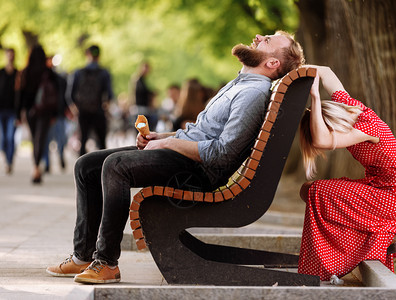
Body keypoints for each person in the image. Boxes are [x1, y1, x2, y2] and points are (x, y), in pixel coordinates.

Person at [46, 31, 305, 284]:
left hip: (198, 171)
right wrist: (162, 137)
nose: (258, 37)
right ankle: (82, 256)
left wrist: (170, 143)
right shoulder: (241, 83)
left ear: (272, 63)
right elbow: (200, 132)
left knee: (116, 167)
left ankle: (106, 263)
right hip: (184, 156)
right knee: (86, 165)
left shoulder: (253, 93)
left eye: (267, 40)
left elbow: (222, 154)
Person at [297, 65, 396, 281]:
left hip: (393, 198)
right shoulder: (351, 107)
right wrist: (302, 72)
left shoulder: (366, 125)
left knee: (316, 191)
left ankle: (322, 267)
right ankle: (348, 244)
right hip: (379, 189)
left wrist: (314, 97)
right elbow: (327, 71)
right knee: (309, 190)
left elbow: (322, 140)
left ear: (330, 123)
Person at [17, 45, 61, 183]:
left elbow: (20, 95)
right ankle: (37, 167)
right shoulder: (48, 72)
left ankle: (35, 167)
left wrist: (19, 113)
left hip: (31, 112)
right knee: (40, 139)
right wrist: (55, 114)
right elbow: (56, 94)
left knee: (34, 139)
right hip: (46, 111)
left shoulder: (25, 72)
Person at [67, 45, 113, 156]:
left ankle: (80, 169)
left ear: (87, 54)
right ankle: (102, 168)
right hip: (99, 110)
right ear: (99, 55)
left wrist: (75, 108)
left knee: (83, 140)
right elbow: (109, 94)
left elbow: (69, 94)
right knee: (102, 143)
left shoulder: (78, 72)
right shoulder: (104, 73)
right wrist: (106, 107)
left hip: (83, 111)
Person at [0, 48, 18, 174]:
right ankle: (6, 156)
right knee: (2, 138)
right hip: (0, 110)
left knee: (10, 137)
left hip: (12, 111)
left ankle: (9, 161)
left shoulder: (18, 74)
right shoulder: (1, 72)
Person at [130, 61, 158, 131]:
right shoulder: (138, 80)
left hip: (143, 109)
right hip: (140, 109)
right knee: (142, 130)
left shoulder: (142, 80)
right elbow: (142, 92)